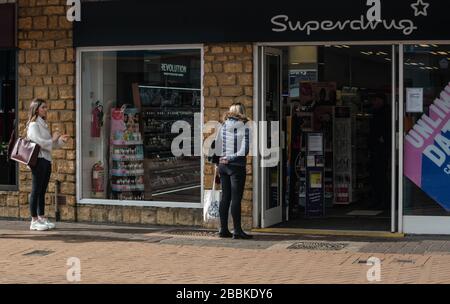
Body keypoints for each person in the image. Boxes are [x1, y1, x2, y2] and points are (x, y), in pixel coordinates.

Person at [26, 99, 70, 231]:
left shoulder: (43, 124)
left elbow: (49, 145)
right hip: (38, 161)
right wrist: (53, 139)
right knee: (35, 190)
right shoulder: (33, 125)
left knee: (42, 190)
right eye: (43, 107)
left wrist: (61, 141)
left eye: (46, 107)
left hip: (46, 160)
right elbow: (40, 143)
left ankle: (41, 217)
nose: (46, 109)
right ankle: (34, 220)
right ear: (36, 109)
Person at [215, 103, 252, 239]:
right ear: (242, 112)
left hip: (222, 166)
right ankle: (237, 230)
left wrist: (221, 160)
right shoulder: (245, 127)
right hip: (236, 166)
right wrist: (231, 158)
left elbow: (217, 146)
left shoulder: (223, 126)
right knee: (236, 198)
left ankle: (223, 229)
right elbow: (244, 150)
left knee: (225, 197)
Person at [368, 94, 390, 210]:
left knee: (380, 175)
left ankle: (383, 200)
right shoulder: (376, 112)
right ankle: (378, 199)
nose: (374, 101)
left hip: (381, 149)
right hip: (376, 148)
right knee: (376, 175)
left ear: (382, 100)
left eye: (376, 99)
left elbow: (386, 130)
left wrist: (382, 139)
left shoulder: (385, 113)